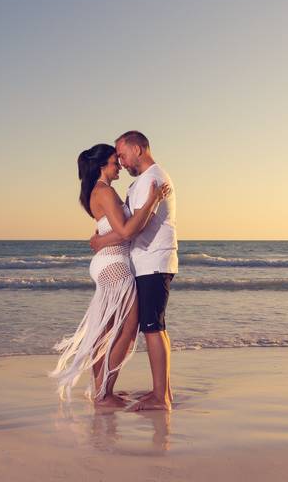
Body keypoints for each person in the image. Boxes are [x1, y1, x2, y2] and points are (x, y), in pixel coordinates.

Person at [50, 143, 170, 407]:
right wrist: (153, 200)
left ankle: (102, 392)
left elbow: (118, 230)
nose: (120, 166)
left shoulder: (99, 192)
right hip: (115, 264)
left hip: (109, 262)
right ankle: (104, 392)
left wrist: (102, 240)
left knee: (105, 332)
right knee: (127, 332)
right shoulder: (104, 191)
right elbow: (127, 231)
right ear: (103, 165)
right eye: (116, 162)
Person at [91, 131, 177, 411]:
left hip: (153, 262)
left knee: (153, 328)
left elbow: (132, 229)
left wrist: (100, 241)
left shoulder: (152, 178)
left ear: (138, 149)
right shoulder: (141, 182)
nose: (121, 161)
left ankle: (160, 396)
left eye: (123, 153)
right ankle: (162, 392)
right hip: (144, 262)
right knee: (152, 327)